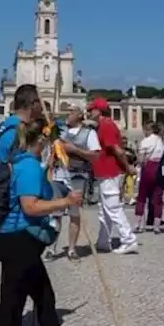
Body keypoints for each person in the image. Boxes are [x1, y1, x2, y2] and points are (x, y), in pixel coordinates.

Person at [0, 116, 91, 326]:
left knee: (44, 301)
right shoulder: (27, 167)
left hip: (19, 241)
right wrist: (65, 201)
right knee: (10, 307)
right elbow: (30, 206)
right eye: (50, 142)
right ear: (41, 140)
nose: (53, 146)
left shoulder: (24, 163)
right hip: (19, 241)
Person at [86, 97, 137, 255]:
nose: (89, 112)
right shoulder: (103, 125)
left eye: (91, 110)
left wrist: (127, 167)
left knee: (113, 207)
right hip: (105, 171)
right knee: (105, 208)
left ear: (98, 111)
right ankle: (103, 240)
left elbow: (117, 150)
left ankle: (128, 239)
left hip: (110, 171)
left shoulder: (106, 125)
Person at [49, 104, 100, 260]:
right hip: (59, 175)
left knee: (74, 214)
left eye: (71, 112)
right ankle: (51, 247)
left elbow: (95, 156)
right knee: (55, 213)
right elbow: (53, 151)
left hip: (78, 175)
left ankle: (71, 249)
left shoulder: (89, 134)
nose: (67, 115)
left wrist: (75, 150)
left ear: (79, 115)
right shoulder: (60, 132)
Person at [135, 121, 164, 233]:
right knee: (158, 199)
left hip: (149, 168)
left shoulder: (145, 141)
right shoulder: (163, 140)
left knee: (142, 197)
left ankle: (139, 224)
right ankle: (156, 225)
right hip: (160, 168)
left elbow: (140, 160)